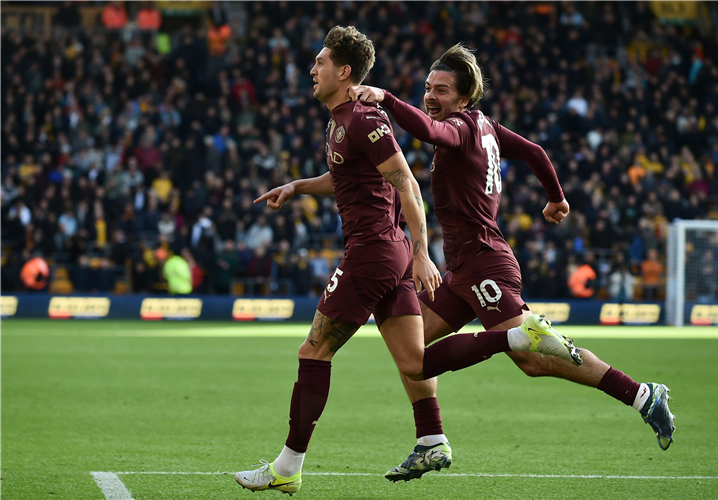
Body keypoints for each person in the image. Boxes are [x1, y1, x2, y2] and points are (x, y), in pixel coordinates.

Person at [235, 27, 580, 496]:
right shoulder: (339, 121)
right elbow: (344, 176)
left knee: (313, 351)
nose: (311, 70)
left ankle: (287, 466)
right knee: (415, 363)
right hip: (385, 253)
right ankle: (440, 428)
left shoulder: (365, 119)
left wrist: (421, 253)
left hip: (373, 253)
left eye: (319, 62)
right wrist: (297, 186)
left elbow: (408, 186)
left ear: (344, 72)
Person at [348, 42, 675, 481]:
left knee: (533, 360)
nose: (431, 95)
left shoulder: (462, 126)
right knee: (410, 347)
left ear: (464, 98)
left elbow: (431, 131)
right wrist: (556, 198)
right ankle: (431, 440)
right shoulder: (487, 126)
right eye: (428, 87)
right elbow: (537, 152)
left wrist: (388, 99)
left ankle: (640, 394)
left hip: (485, 265)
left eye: (442, 90)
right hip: (464, 270)